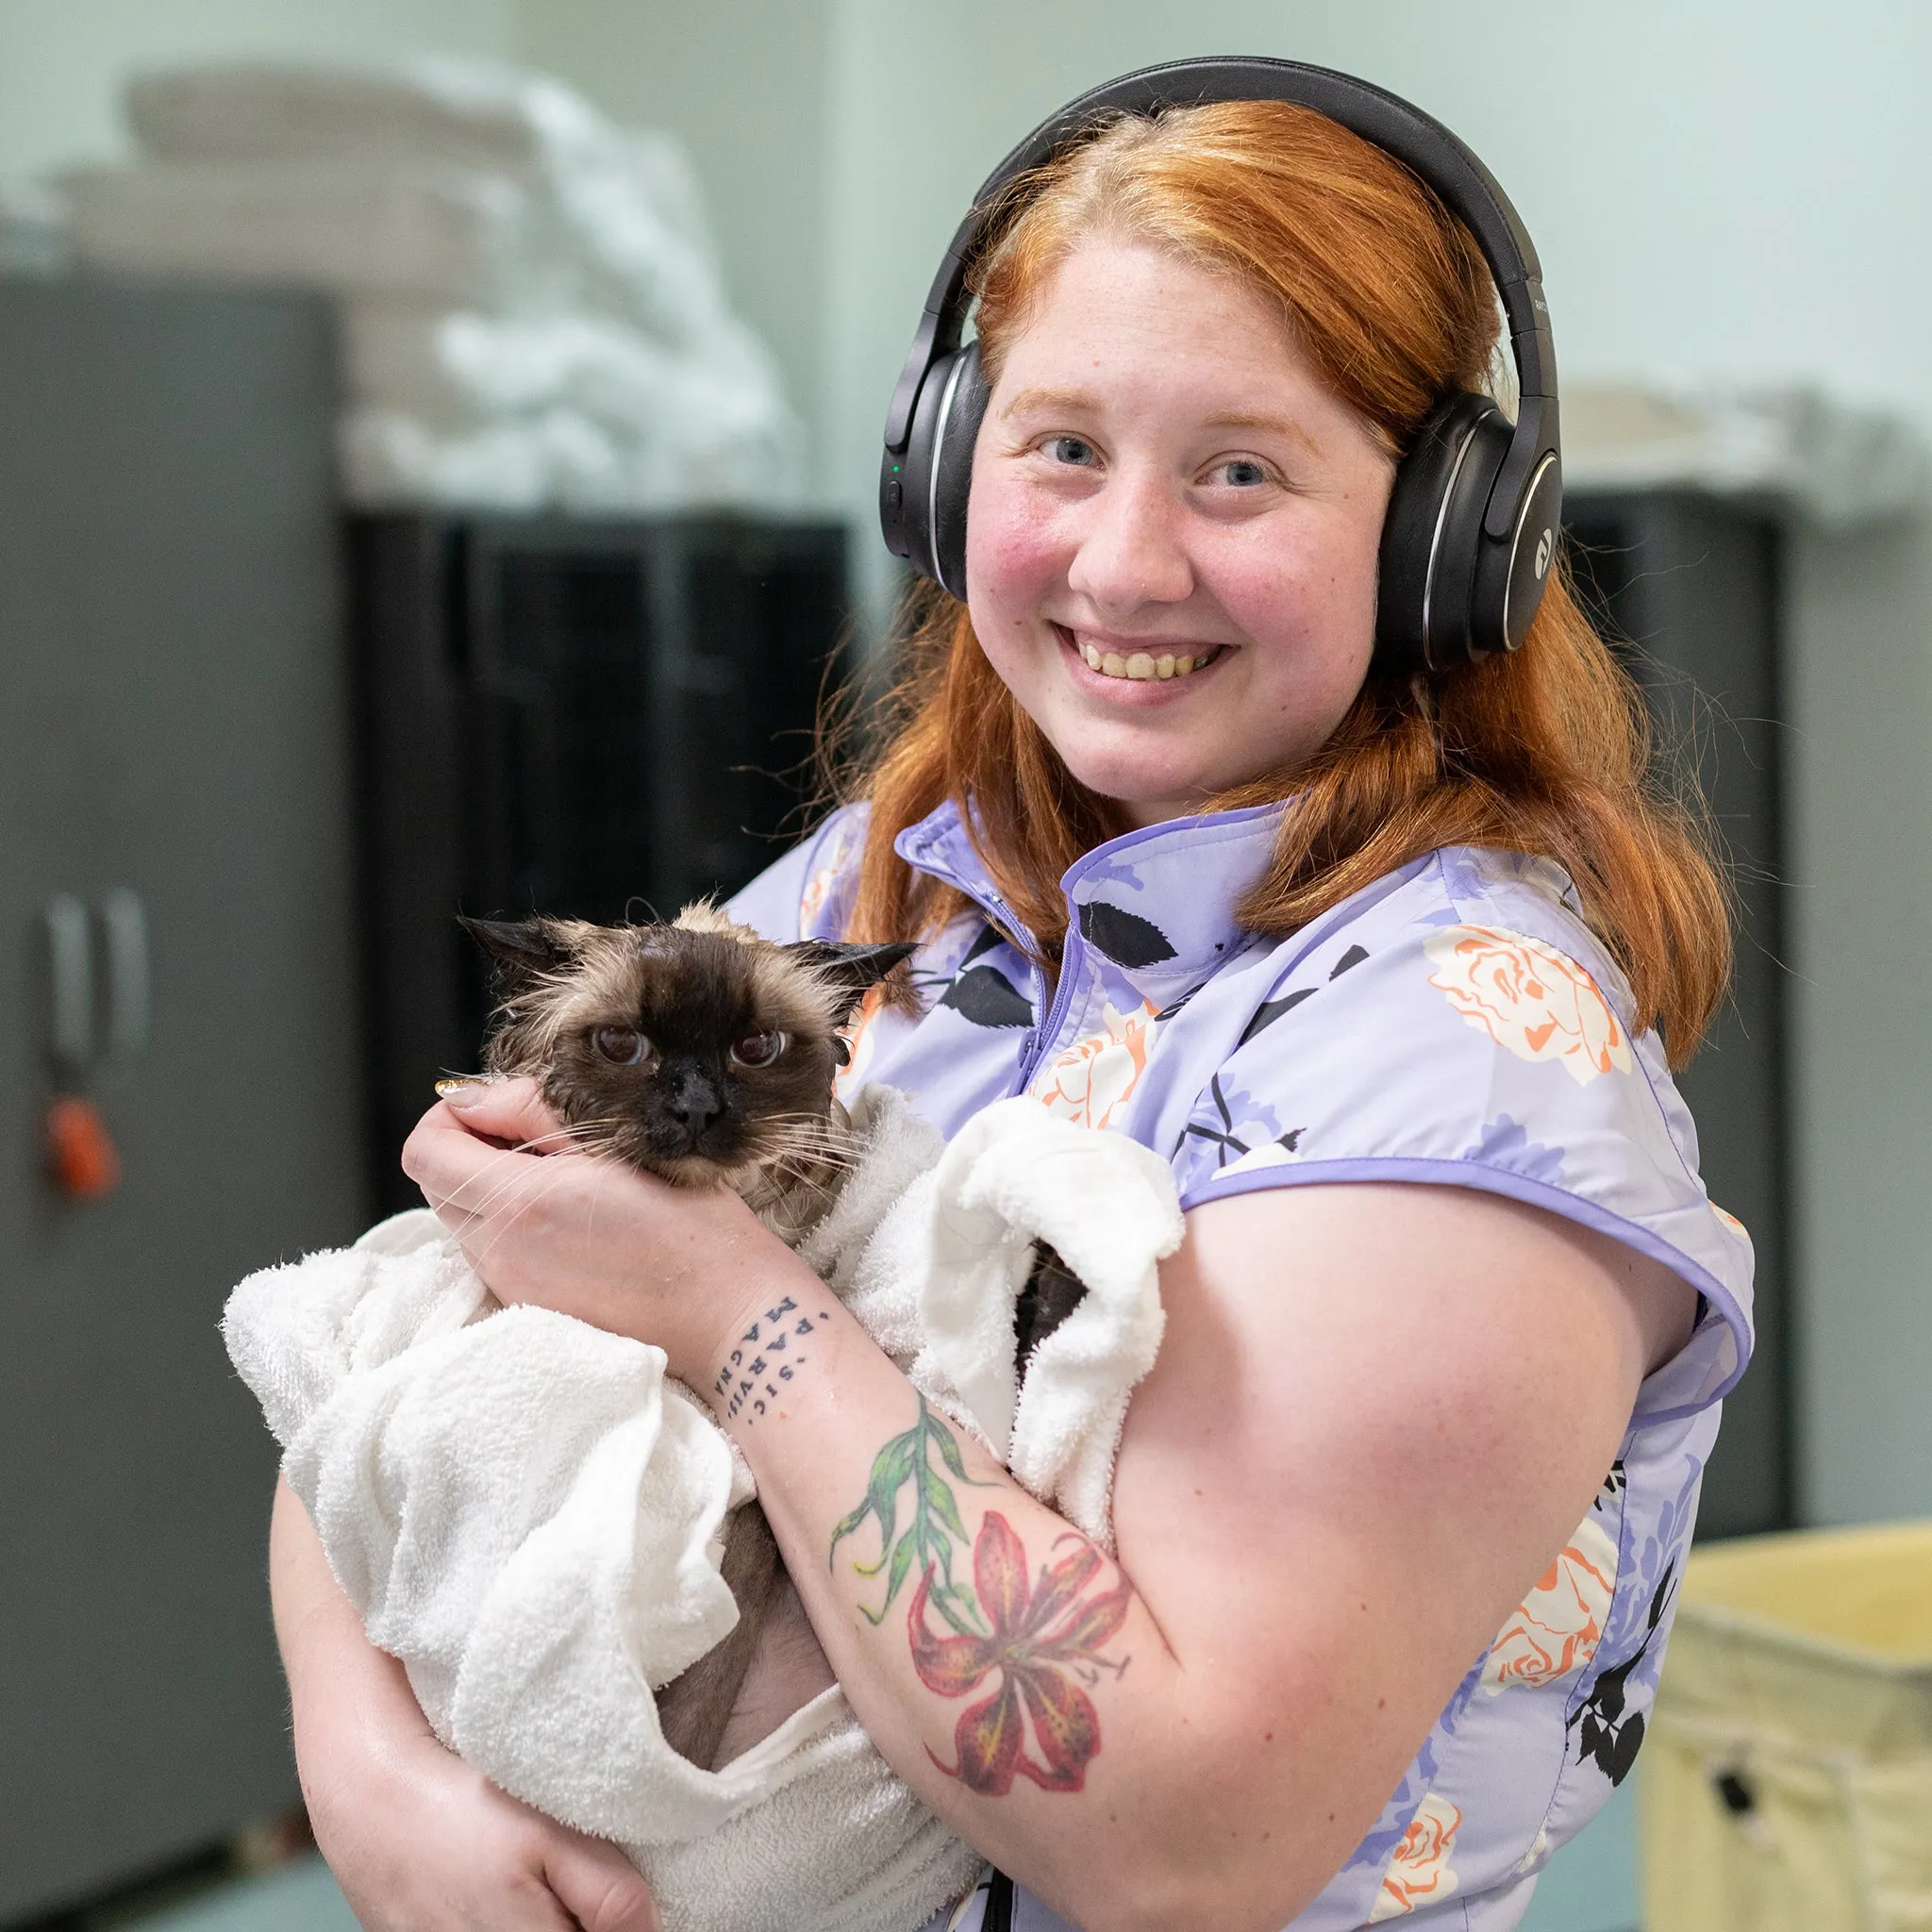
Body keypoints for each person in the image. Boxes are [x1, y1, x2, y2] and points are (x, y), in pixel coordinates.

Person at [270, 80, 1752, 1932]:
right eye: (1060, 447)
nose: (1126, 562)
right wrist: (371, 1771)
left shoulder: (1462, 1062)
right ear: (942, 463)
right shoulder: (875, 885)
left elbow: (1166, 1842)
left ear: (1441, 530)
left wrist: (728, 1302)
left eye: (1239, 469)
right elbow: (396, 1351)